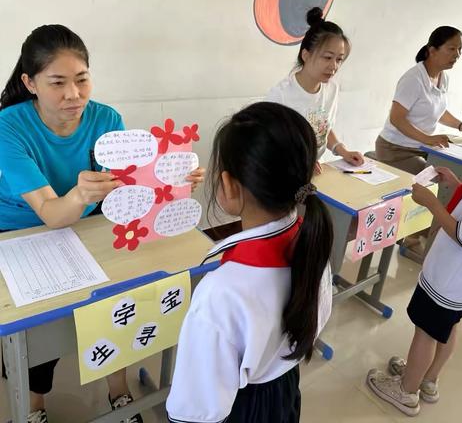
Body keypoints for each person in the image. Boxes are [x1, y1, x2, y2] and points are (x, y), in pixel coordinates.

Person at [0, 25, 204, 423]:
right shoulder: (9, 126)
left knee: (117, 303)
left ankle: (119, 392)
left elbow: (127, 189)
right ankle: (34, 407)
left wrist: (172, 179)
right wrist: (78, 195)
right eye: (57, 82)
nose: (73, 94)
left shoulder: (106, 118)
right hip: (22, 233)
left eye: (82, 79)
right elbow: (50, 212)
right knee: (41, 327)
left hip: (89, 225)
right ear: (30, 83)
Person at [166, 102, 334, 422]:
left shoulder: (221, 292)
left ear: (229, 185)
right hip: (283, 387)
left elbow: (198, 406)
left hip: (243, 408)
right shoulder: (314, 241)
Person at [367, 98, 462, 417]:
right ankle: (428, 379)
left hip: (449, 278)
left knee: (426, 331)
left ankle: (405, 391)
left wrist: (431, 202)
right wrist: (456, 186)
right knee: (447, 327)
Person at [267, 7, 364, 173]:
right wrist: (300, 163)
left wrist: (342, 151)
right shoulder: (281, 96)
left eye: (339, 59)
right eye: (327, 57)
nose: (334, 66)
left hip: (314, 170)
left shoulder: (331, 88)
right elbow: (272, 145)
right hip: (284, 172)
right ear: (305, 55)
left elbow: (322, 126)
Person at [376, 26, 462, 175]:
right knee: (438, 176)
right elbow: (396, 118)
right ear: (432, 50)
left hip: (422, 148)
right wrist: (428, 139)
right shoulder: (414, 78)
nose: (457, 54)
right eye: (452, 49)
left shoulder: (443, 78)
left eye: (460, 49)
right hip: (395, 150)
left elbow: (437, 111)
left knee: (452, 168)